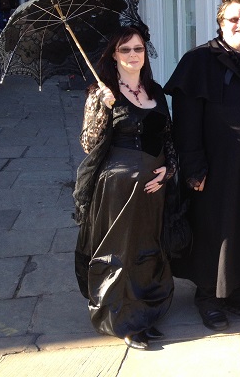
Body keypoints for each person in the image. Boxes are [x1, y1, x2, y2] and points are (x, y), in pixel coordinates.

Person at [164, 0, 240, 331]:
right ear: (221, 23)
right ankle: (208, 297)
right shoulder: (199, 61)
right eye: (233, 19)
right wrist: (193, 168)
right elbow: (185, 122)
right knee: (214, 229)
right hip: (216, 166)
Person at [73, 26, 177, 350]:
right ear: (114, 55)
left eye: (138, 49)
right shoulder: (101, 92)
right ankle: (125, 322)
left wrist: (168, 171)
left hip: (152, 190)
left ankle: (145, 313)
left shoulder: (155, 92)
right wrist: (102, 106)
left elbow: (168, 138)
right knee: (120, 254)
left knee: (147, 251)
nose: (133, 55)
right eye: (125, 49)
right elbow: (88, 144)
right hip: (118, 188)